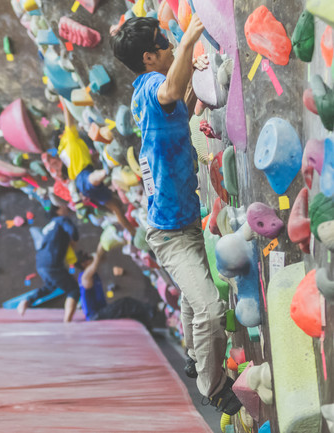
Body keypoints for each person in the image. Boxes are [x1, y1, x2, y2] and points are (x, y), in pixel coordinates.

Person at [110, 16, 241, 415]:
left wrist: (190, 80)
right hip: (170, 231)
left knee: (191, 295)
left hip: (178, 219)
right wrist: (189, 44)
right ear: (149, 57)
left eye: (170, 42)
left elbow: (177, 112)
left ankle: (192, 353)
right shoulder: (152, 85)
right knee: (210, 309)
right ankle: (213, 386)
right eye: (163, 43)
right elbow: (167, 89)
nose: (169, 46)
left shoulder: (141, 91)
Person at [58, 97, 136, 237]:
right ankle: (104, 172)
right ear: (60, 136)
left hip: (80, 179)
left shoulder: (62, 151)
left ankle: (132, 232)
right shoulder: (68, 138)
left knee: (116, 208)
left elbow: (81, 159)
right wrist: (62, 98)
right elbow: (68, 116)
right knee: (93, 180)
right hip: (83, 178)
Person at [18, 203, 80, 322]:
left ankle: (27, 300)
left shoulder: (50, 225)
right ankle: (67, 321)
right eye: (64, 206)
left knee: (51, 287)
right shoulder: (62, 220)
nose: (67, 208)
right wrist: (73, 241)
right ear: (59, 209)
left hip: (41, 263)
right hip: (52, 263)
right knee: (74, 289)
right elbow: (74, 233)